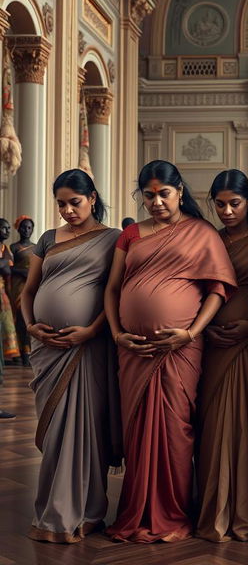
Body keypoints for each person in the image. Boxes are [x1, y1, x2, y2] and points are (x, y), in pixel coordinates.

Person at [104, 160, 236, 543]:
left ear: (180, 191)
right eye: (149, 195)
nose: (157, 201)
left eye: (165, 193)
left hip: (181, 349)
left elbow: (217, 290)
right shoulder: (130, 234)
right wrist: (117, 334)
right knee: (138, 432)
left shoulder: (201, 232)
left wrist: (191, 332)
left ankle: (173, 511)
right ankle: (136, 510)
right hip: (134, 350)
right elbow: (112, 289)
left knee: (176, 429)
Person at [20, 169, 122, 543]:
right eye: (61, 203)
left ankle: (87, 511)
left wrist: (92, 330)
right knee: (55, 433)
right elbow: (29, 291)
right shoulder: (48, 239)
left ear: (92, 198)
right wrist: (31, 326)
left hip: (88, 348)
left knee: (85, 430)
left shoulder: (113, 239)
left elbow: (115, 293)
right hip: (47, 350)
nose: (67, 210)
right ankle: (54, 509)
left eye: (74, 202)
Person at [196, 169, 248, 542]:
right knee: (212, 427)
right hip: (212, 343)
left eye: (235, 203)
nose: (226, 211)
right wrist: (201, 327)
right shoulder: (207, 238)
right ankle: (214, 509)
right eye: (220, 204)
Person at [10, 215, 35, 365]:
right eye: (24, 227)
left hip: (32, 286)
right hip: (18, 286)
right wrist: (22, 272)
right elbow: (9, 267)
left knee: (30, 317)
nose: (26, 230)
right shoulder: (13, 247)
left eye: (29, 227)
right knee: (19, 316)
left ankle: (29, 350)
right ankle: (19, 352)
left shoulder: (37, 246)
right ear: (18, 229)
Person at [0, 218, 19, 365]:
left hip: (3, 290)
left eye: (8, 229)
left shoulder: (5, 248)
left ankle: (9, 355)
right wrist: (5, 263)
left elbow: (7, 269)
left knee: (7, 322)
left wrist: (4, 264)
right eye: (3, 228)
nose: (7, 231)